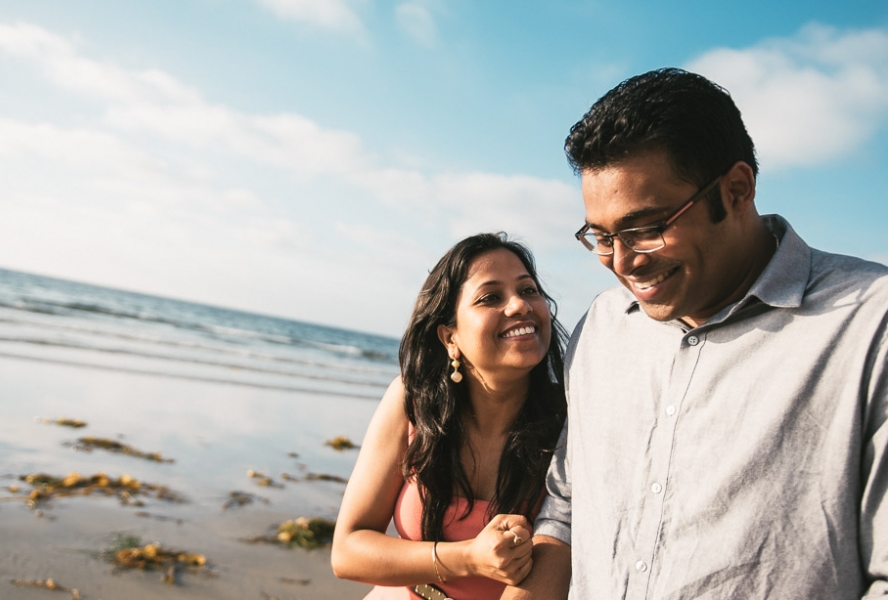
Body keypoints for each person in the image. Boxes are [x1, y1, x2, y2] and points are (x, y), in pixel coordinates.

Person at [502, 67, 888, 600]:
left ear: (736, 190)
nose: (621, 262)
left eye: (645, 230)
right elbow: (566, 509)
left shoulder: (872, 326)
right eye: (601, 235)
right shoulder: (603, 329)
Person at [332, 232, 568, 600]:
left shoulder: (570, 420)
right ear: (449, 337)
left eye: (529, 290)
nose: (520, 305)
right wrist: (469, 558)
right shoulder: (414, 401)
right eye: (491, 297)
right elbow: (347, 552)